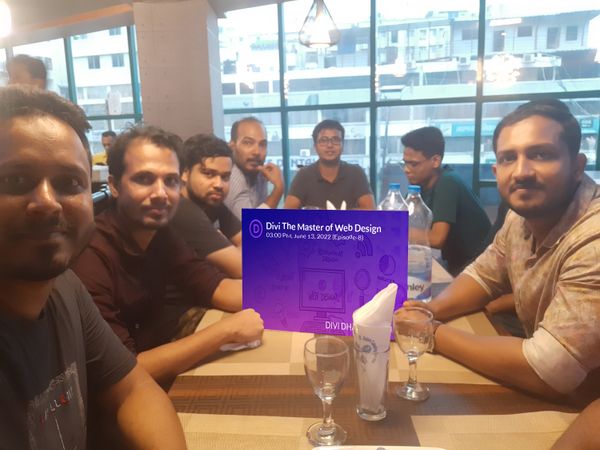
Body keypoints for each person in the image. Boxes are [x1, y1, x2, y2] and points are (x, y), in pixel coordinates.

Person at [0, 86, 185, 448]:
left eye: (69, 183)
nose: (47, 203)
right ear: (113, 189)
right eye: (15, 180)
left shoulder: (65, 287)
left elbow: (135, 390)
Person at [403, 99, 600, 401]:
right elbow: (484, 276)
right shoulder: (519, 217)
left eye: (541, 154)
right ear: (496, 170)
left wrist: (431, 332)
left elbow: (549, 369)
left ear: (577, 166)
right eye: (509, 158)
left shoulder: (594, 236)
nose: (521, 172)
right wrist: (431, 310)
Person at [72, 125, 263, 384]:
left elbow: (215, 286)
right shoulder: (91, 259)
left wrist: (307, 297)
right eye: (144, 179)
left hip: (160, 360)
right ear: (115, 186)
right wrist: (226, 331)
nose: (161, 193)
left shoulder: (161, 233)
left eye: (170, 181)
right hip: (116, 397)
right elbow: (125, 371)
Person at [401, 126, 491, 275]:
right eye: (405, 163)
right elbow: (399, 216)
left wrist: (395, 230)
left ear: (436, 160)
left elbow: (437, 239)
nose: (406, 169)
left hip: (477, 267)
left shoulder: (448, 182)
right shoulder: (419, 186)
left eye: (414, 164)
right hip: (454, 262)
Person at [172, 133, 242, 278]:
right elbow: (245, 269)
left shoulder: (212, 203)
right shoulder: (181, 209)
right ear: (184, 173)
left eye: (225, 177)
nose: (219, 184)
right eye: (209, 174)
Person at [284, 119, 375, 210]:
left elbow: (370, 210)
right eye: (323, 140)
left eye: (335, 140)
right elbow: (288, 212)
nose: (330, 145)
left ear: (342, 145)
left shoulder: (355, 173)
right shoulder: (304, 175)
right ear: (315, 147)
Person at [225, 117, 284, 219]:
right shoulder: (231, 176)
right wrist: (279, 189)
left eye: (262, 144)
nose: (257, 152)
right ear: (232, 146)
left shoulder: (259, 172)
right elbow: (253, 226)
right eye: (248, 143)